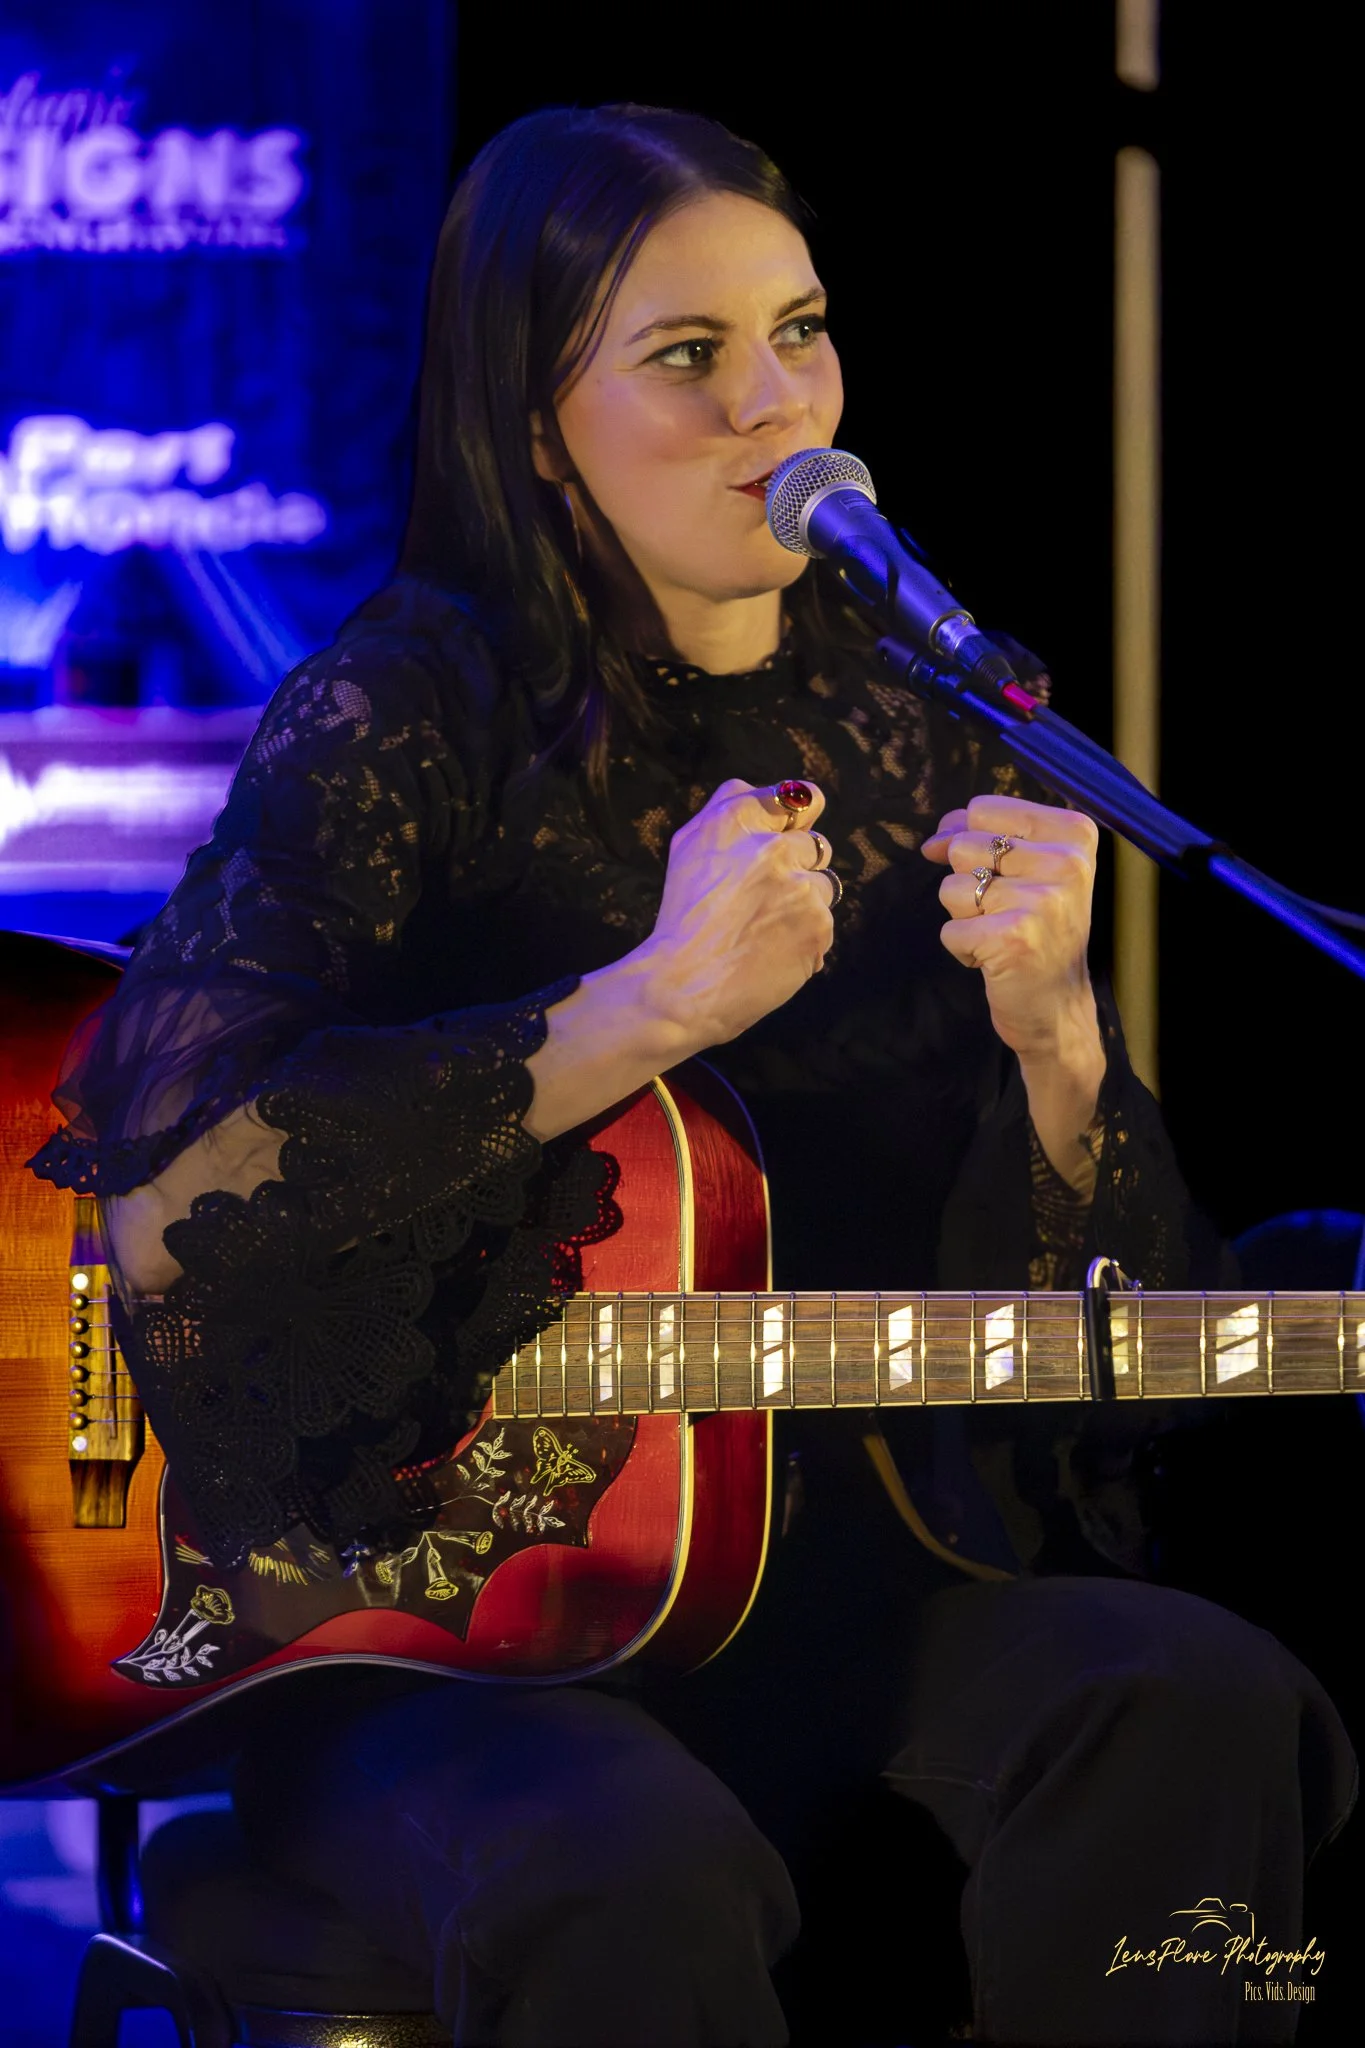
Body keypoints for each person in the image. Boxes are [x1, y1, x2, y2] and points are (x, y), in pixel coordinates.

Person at [28, 105, 1355, 2046]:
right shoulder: (408, 710)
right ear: (530, 416)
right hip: (425, 1629)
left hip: (837, 1583)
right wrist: (641, 1008)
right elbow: (163, 1203)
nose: (776, 407)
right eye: (686, 356)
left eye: (800, 332)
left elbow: (1098, 1361)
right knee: (624, 1862)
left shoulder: (933, 718)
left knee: (1197, 1698)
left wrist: (1062, 1041)